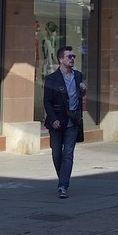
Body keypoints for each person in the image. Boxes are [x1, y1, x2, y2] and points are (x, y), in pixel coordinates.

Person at [42, 45, 86, 199]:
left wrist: (83, 90)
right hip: (57, 122)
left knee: (68, 154)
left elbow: (80, 96)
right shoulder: (51, 79)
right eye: (69, 56)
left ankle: (63, 185)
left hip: (73, 121)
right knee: (56, 154)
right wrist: (53, 119)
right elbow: (47, 102)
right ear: (61, 60)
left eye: (73, 56)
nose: (72, 58)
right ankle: (63, 178)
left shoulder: (78, 76)